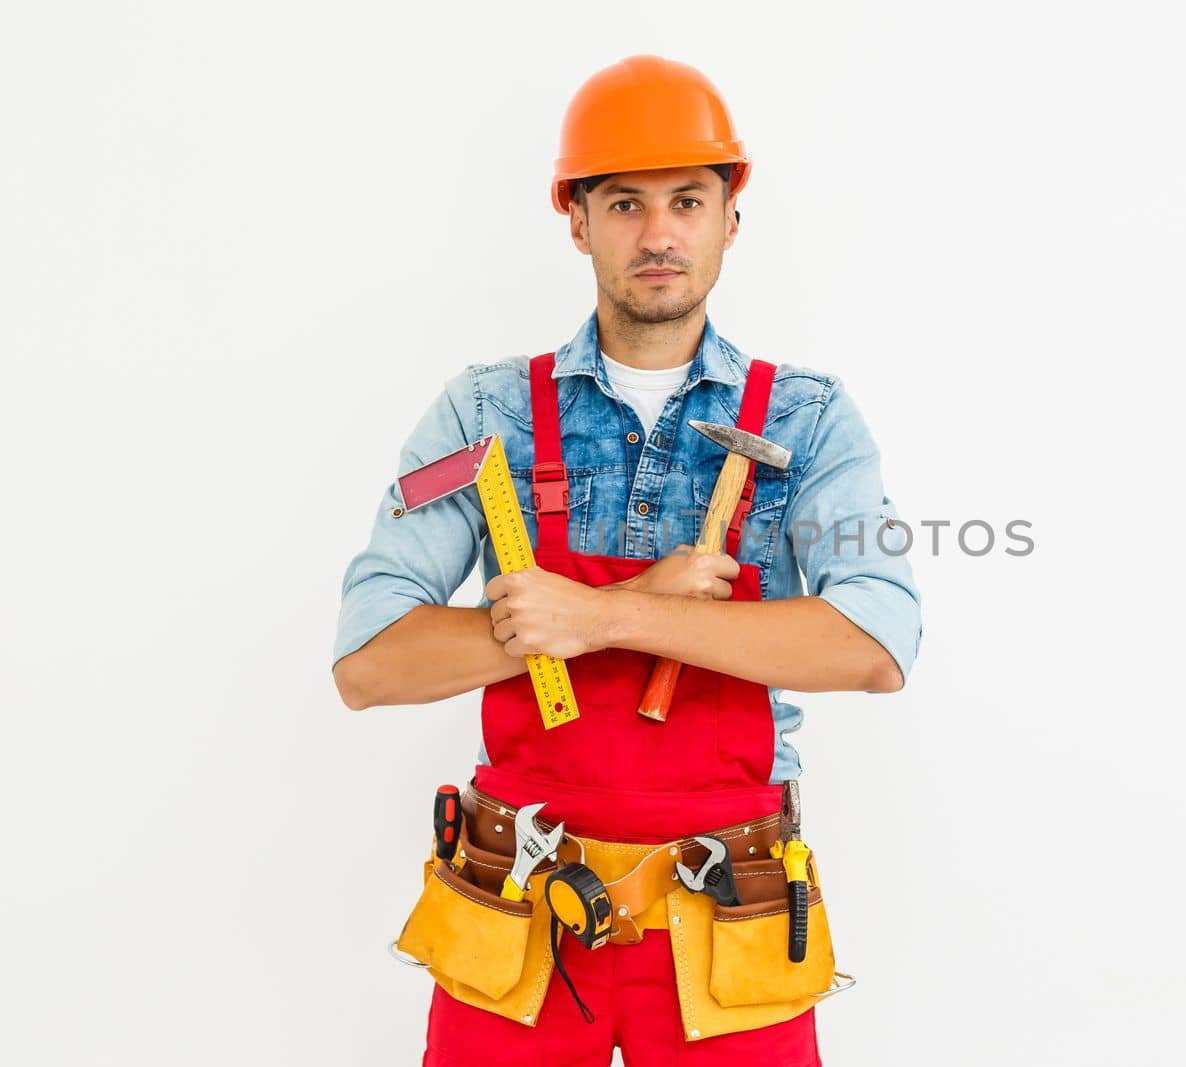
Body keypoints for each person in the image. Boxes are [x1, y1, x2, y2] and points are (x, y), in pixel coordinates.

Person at [332, 54, 922, 1066]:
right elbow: (370, 663)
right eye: (623, 202)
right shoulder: (481, 417)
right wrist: (620, 598)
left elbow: (875, 642)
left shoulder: (806, 417)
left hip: (726, 915)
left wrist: (605, 614)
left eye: (687, 200)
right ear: (577, 220)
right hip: (518, 911)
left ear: (730, 216)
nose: (658, 234)